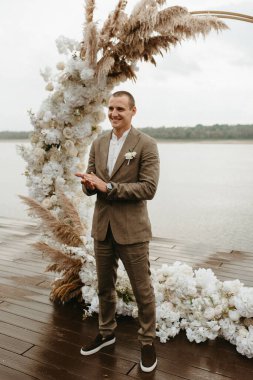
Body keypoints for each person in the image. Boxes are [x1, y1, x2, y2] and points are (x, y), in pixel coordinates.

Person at [75, 91, 160, 373]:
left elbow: (148, 188)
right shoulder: (98, 143)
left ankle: (147, 343)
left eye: (120, 109)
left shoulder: (146, 144)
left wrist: (108, 187)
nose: (113, 113)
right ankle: (106, 333)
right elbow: (91, 182)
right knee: (104, 286)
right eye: (110, 108)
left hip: (132, 231)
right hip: (102, 227)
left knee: (142, 290)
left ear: (133, 111)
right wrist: (88, 184)